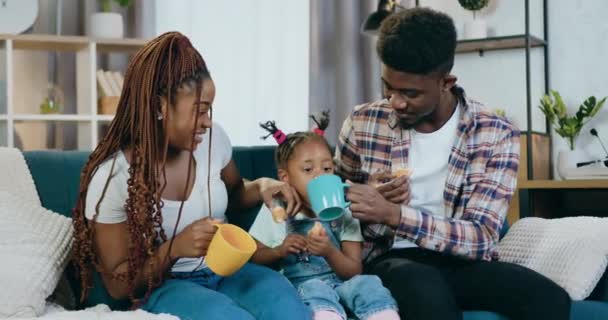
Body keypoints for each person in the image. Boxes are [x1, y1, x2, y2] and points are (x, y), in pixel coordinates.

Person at [334, 7, 571, 320]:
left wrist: (394, 214)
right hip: (390, 258)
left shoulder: (494, 132)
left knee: (549, 298)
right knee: (424, 288)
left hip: (461, 261)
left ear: (446, 81)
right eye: (388, 87)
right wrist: (363, 193)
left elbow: (482, 236)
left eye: (410, 93)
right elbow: (334, 200)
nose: (396, 102)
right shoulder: (363, 121)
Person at [72, 32, 310, 320]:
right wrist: (173, 249)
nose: (208, 122)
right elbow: (117, 286)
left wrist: (262, 186)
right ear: (160, 106)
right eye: (200, 111)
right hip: (166, 286)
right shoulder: (113, 178)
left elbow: (235, 194)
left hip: (228, 271)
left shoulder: (213, 140)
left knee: (289, 310)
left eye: (209, 110)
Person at [249, 116, 400, 320]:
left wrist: (329, 251)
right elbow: (254, 256)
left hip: (344, 282)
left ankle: (384, 315)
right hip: (303, 286)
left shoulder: (345, 210)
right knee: (314, 288)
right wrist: (279, 251)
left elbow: (354, 270)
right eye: (308, 169)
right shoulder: (276, 208)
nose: (320, 175)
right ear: (285, 178)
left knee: (367, 283)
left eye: (327, 168)